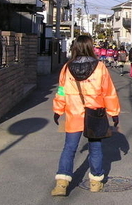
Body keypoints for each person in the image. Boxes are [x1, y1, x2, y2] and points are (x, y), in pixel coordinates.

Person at [51, 35, 120, 196]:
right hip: (95, 113)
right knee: (95, 148)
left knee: (69, 148)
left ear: (75, 47)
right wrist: (114, 113)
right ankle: (95, 182)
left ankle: (61, 184)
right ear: (90, 47)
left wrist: (58, 109)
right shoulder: (100, 67)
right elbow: (108, 92)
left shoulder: (67, 67)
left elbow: (61, 90)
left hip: (73, 113)